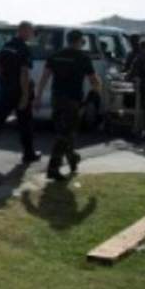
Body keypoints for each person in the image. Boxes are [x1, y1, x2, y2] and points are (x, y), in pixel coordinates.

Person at [35, 30, 101, 181]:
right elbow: (94, 81)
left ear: (68, 40)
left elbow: (44, 78)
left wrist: (37, 97)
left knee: (65, 133)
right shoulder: (83, 57)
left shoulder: (55, 56)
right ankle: (53, 168)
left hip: (57, 99)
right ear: (79, 41)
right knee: (65, 134)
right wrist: (96, 94)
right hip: (73, 101)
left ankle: (72, 159)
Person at [0, 21, 39, 165]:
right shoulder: (24, 49)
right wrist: (24, 95)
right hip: (19, 91)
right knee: (25, 122)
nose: (32, 35)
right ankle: (28, 154)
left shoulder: (6, 46)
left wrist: (3, 83)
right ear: (24, 31)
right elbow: (24, 74)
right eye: (31, 32)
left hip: (6, 90)